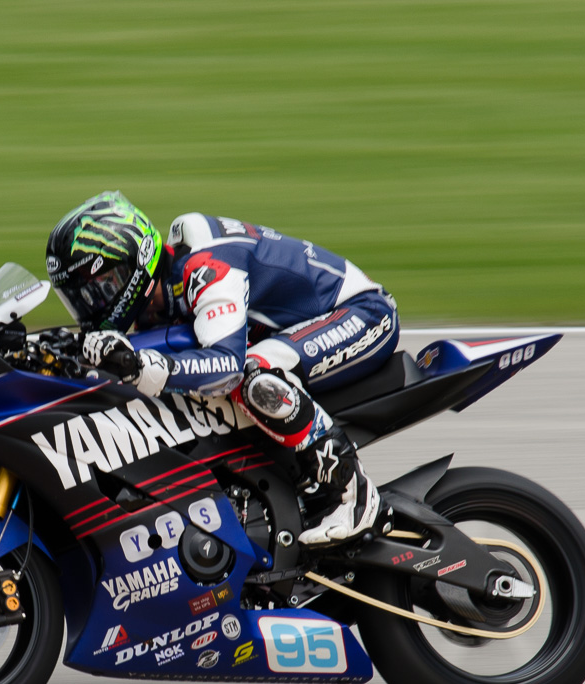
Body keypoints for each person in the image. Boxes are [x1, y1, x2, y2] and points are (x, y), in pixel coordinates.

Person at [44, 191, 398, 546]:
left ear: (134, 268)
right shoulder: (160, 291)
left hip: (361, 314)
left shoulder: (206, 267)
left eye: (100, 288)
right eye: (78, 298)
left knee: (254, 377)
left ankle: (356, 495)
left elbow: (226, 367)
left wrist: (142, 367)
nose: (92, 305)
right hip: (296, 332)